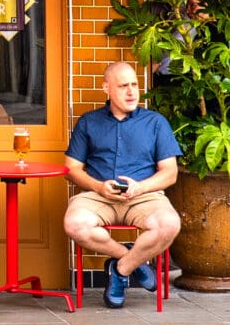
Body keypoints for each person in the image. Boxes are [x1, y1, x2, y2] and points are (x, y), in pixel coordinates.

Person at [62, 60, 183, 309]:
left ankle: (120, 269)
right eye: (123, 86)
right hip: (98, 196)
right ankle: (130, 259)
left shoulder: (155, 122)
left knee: (169, 224)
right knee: (74, 224)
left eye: (134, 85)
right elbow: (71, 169)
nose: (131, 92)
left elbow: (170, 173)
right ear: (107, 88)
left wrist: (140, 187)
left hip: (144, 196)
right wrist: (98, 187)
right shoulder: (89, 122)